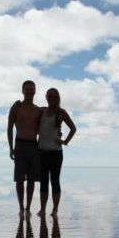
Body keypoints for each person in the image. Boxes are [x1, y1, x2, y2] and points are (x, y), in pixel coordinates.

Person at [37, 88, 76, 217]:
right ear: (46, 97)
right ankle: (42, 209)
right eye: (50, 96)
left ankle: (55, 210)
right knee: (43, 181)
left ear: (58, 98)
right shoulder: (41, 111)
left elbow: (73, 128)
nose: (52, 98)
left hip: (56, 152)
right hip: (42, 151)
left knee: (55, 181)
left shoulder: (61, 112)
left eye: (55, 96)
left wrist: (65, 141)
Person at [7, 80, 42, 215]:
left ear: (35, 91)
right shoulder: (16, 107)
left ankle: (28, 208)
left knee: (32, 180)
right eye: (27, 89)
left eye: (32, 89)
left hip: (34, 145)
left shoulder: (38, 110)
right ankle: (21, 208)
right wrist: (11, 147)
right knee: (20, 179)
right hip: (20, 144)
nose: (29, 91)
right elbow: (9, 128)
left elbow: (45, 125)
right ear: (23, 91)